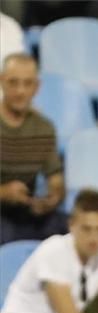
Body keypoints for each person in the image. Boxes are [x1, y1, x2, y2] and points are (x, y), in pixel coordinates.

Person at [0, 54, 66, 245]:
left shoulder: (44, 128)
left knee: (69, 228)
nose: (20, 91)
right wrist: (4, 192)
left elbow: (55, 178)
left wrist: (52, 197)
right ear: (2, 82)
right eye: (13, 83)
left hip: (27, 210)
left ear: (37, 87)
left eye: (27, 84)